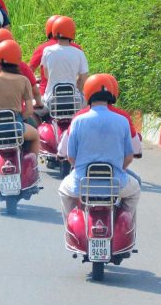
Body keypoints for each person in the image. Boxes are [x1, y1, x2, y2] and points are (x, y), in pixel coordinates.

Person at [59, 74, 140, 217]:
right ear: (111, 94)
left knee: (63, 191)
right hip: (116, 184)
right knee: (134, 191)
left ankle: (70, 226)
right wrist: (118, 169)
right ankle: (125, 221)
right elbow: (129, 157)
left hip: (82, 184)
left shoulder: (78, 120)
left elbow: (71, 157)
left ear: (87, 94)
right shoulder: (122, 120)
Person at [0, 41, 40, 160]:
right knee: (35, 136)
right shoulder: (24, 80)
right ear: (18, 59)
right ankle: (33, 164)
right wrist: (21, 118)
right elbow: (29, 110)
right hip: (17, 127)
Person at [39, 15, 88, 107]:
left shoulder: (47, 51)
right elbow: (84, 78)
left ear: (54, 31)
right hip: (74, 100)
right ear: (72, 33)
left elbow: (46, 75)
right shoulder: (79, 53)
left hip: (51, 100)